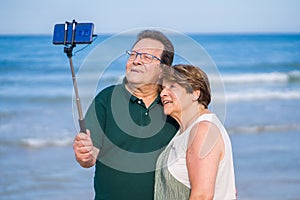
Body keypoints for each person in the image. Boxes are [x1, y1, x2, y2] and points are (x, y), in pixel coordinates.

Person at [73, 30, 179, 200]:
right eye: (133, 55)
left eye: (146, 57)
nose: (136, 61)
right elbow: (89, 158)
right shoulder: (106, 99)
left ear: (163, 70)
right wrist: (84, 154)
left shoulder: (174, 103)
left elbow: (199, 144)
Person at [155, 64, 236, 200]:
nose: (163, 93)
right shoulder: (185, 130)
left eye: (172, 87)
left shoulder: (203, 130)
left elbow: (202, 196)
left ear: (194, 93)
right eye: (163, 88)